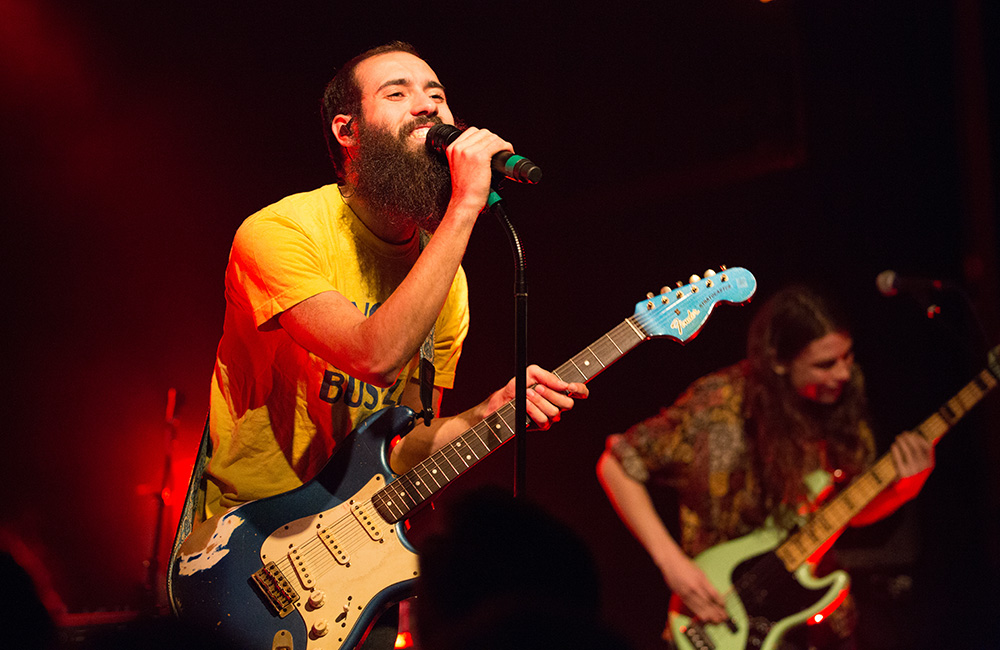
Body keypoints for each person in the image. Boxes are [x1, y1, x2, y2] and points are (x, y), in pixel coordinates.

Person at [199, 41, 587, 645]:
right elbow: (372, 356)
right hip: (244, 557)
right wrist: (464, 205)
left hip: (351, 576)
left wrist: (489, 414)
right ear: (346, 130)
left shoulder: (446, 280)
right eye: (398, 93)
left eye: (436, 93)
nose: (427, 107)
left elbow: (402, 447)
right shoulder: (279, 231)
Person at [596, 285, 934, 649]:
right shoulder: (717, 406)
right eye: (825, 364)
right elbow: (617, 463)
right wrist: (672, 565)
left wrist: (904, 489)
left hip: (813, 622)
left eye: (847, 357)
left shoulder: (842, 406)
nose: (843, 374)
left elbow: (846, 511)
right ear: (778, 360)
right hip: (718, 611)